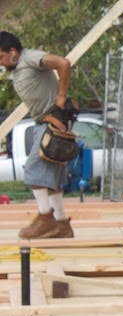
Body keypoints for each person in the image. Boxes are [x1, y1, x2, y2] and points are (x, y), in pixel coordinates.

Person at [0, 31, 77, 239]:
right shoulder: (17, 68)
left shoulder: (30, 58)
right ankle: (61, 224)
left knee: (33, 170)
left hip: (53, 121)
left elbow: (64, 63)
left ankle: (46, 218)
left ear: (13, 52)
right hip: (44, 122)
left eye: (1, 57)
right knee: (50, 178)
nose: (1, 62)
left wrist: (61, 98)